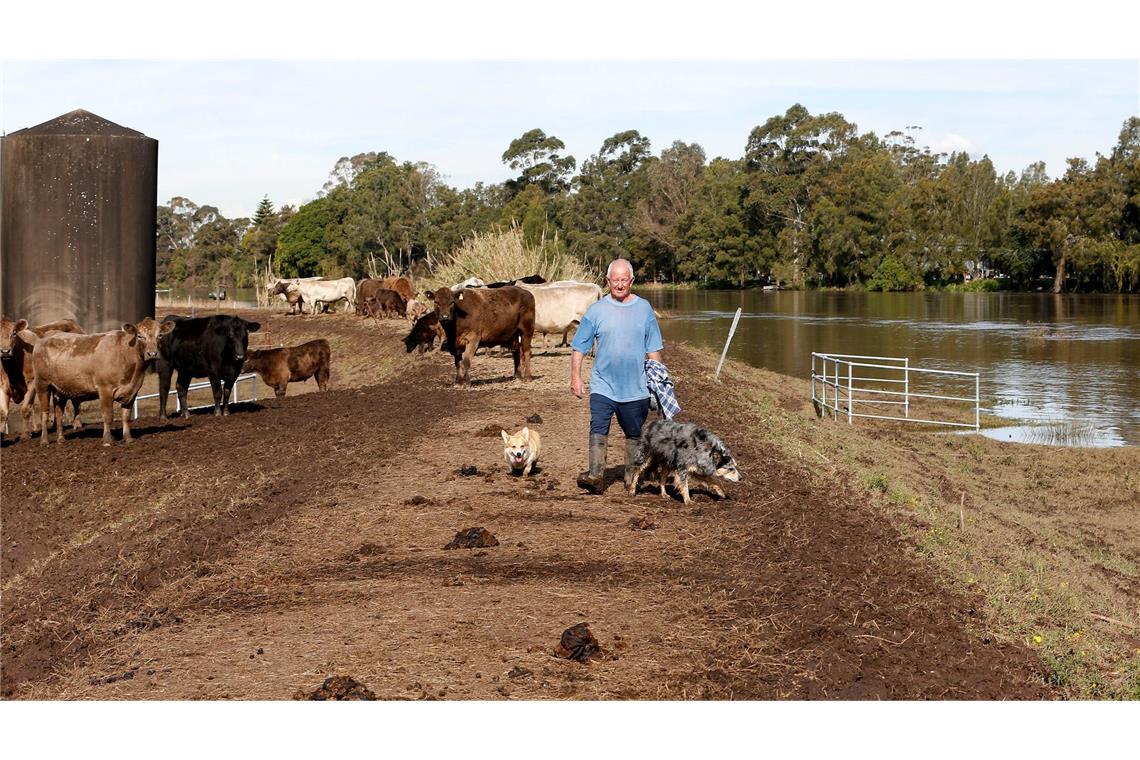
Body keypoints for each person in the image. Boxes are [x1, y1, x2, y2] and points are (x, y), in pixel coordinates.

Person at [570, 258, 663, 494]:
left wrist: (658, 383)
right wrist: (576, 377)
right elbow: (580, 346)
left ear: (631, 281)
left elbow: (653, 349)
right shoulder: (597, 310)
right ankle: (596, 475)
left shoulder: (644, 309)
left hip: (635, 388)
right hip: (603, 385)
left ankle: (631, 477)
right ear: (607, 281)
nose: (619, 285)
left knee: (633, 432)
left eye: (624, 280)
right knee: (598, 425)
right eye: (615, 280)